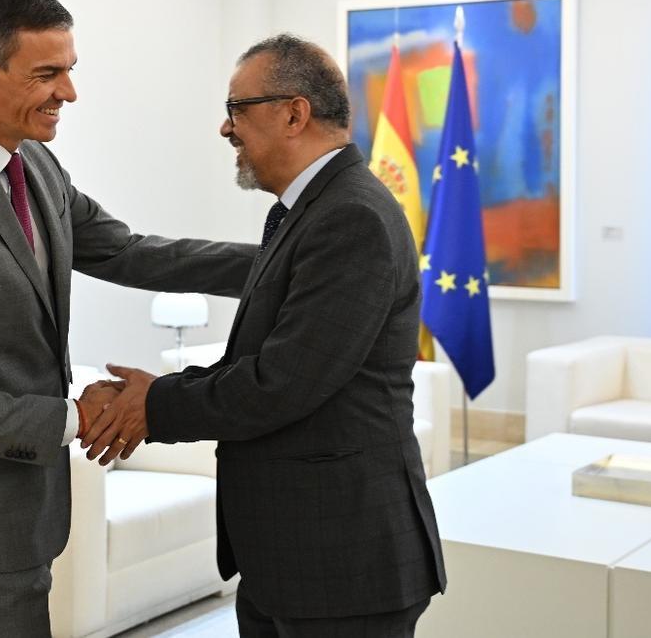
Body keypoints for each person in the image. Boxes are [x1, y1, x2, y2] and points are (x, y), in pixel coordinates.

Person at [0, 0, 255, 637]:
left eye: (69, 71)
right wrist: (74, 416)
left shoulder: (36, 165)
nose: (68, 92)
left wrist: (279, 261)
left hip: (31, 497)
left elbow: (130, 252)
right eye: (48, 74)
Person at [83, 34, 446, 637]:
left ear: (294, 112)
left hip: (342, 565)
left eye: (236, 109)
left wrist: (154, 402)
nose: (225, 129)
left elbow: (282, 383)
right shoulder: (313, 211)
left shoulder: (350, 217)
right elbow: (208, 265)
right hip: (294, 557)